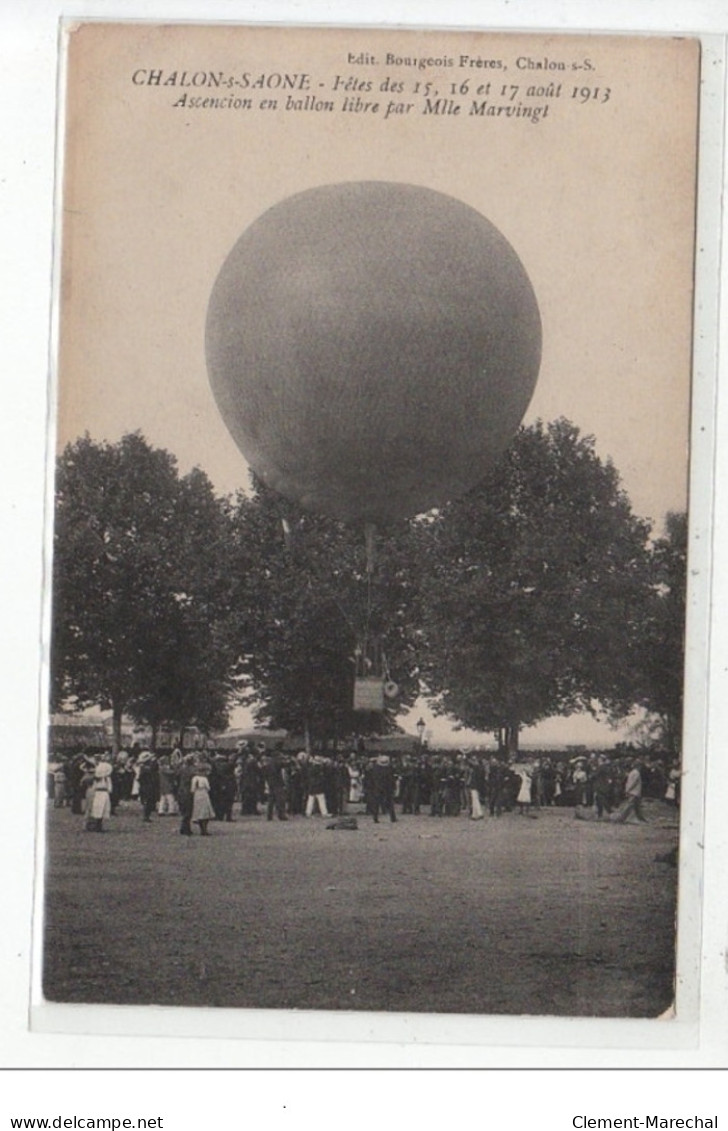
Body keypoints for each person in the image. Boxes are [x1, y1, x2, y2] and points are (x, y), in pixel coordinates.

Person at [611, 759, 647, 823]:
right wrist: (628, 790)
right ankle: (621, 819)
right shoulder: (636, 773)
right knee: (629, 807)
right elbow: (633, 783)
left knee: (637, 807)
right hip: (634, 792)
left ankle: (641, 818)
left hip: (634, 792)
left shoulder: (632, 772)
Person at [86, 756, 113, 832]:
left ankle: (98, 825)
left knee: (102, 809)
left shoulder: (106, 778)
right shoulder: (96, 779)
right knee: (98, 809)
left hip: (102, 793)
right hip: (99, 793)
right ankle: (96, 825)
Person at [190, 760, 216, 835]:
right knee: (205, 812)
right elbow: (208, 788)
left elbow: (192, 789)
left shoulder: (194, 778)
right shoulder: (204, 779)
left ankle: (201, 827)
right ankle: (205, 829)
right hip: (204, 794)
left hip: (197, 795)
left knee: (198, 811)